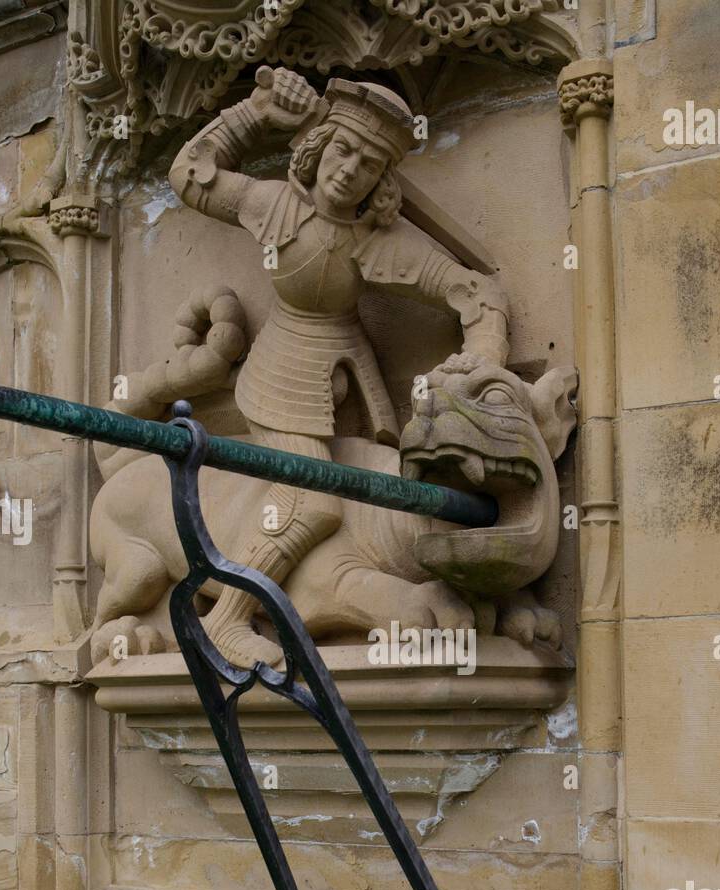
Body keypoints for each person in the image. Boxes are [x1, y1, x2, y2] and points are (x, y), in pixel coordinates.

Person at [169, 65, 510, 665]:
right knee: (315, 502)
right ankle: (224, 621)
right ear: (321, 145)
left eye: (369, 164)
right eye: (344, 149)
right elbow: (191, 176)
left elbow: (476, 294)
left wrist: (478, 370)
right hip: (281, 375)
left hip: (348, 378)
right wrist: (256, 112)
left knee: (368, 493)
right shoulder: (273, 204)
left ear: (381, 181)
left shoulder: (379, 242)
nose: (348, 170)